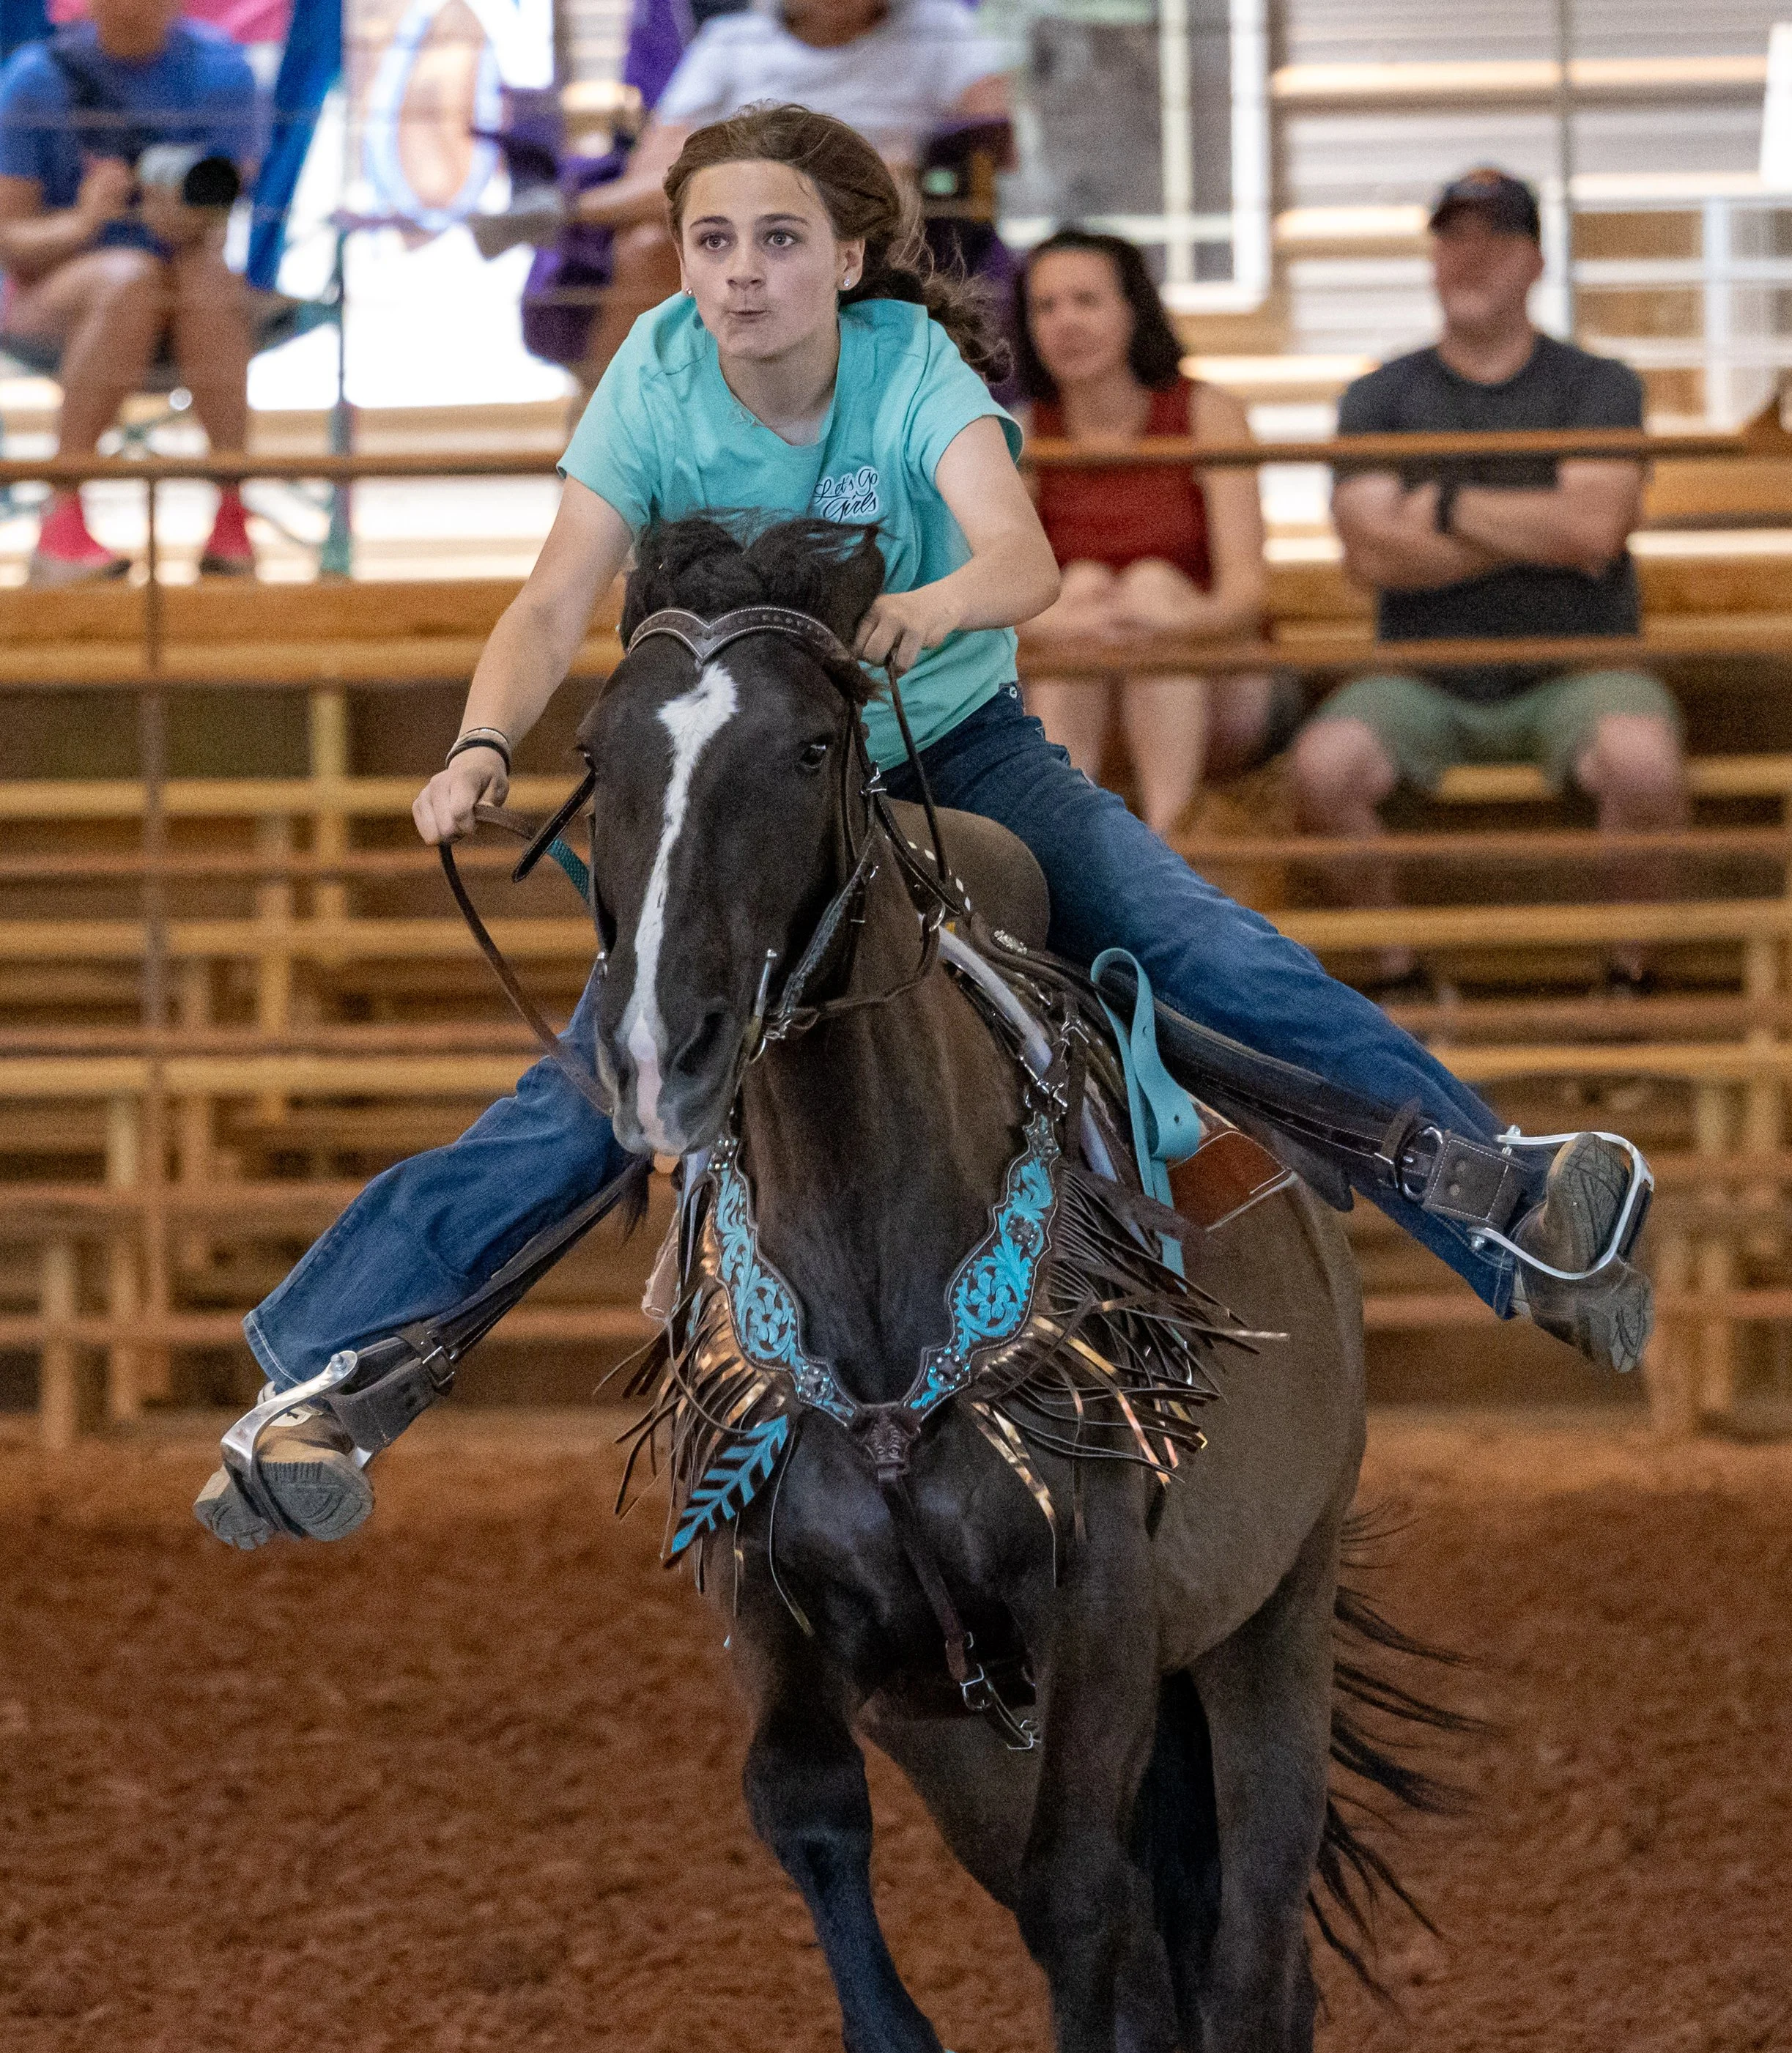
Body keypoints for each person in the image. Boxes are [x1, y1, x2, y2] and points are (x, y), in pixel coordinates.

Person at [191, 104, 1652, 1550]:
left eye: (779, 240)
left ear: (847, 259)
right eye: (712, 241)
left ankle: (1495, 1193)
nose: (742, 271)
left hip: (958, 759)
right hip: (759, 801)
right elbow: (551, 597)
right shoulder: (652, 372)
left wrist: (939, 604)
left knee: (1197, 944)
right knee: (608, 1070)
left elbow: (1019, 554)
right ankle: (330, 1381)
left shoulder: (907, 366)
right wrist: (479, 739)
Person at [1289, 166, 1688, 990]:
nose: (1469, 257)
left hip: (1584, 669)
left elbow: (1594, 528)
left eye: (1495, 238)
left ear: (1535, 260)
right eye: (1452, 237)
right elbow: (1372, 555)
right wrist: (1542, 527)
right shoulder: (1377, 396)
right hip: (1420, 677)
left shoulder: (1599, 385)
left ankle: (1627, 979)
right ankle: (1400, 974)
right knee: (1321, 770)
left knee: (1643, 763)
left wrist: (1439, 505)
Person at [1013, 228, 1297, 837]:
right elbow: (1000, 604)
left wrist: (1166, 622)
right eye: (1046, 307)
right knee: (1080, 586)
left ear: (1133, 310)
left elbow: (1245, 596)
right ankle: (1073, 844)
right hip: (1079, 671)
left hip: (1219, 674)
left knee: (1149, 584)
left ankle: (1168, 843)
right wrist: (1072, 624)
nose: (1065, 323)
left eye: (1086, 301)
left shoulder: (1209, 414)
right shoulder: (1024, 434)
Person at [566, 0, 1008, 383]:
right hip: (739, 199)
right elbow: (657, 166)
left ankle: (569, 211)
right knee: (648, 243)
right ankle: (617, 416)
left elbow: (998, 141)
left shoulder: (941, 28)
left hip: (875, 206)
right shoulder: (731, 39)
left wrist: (918, 161)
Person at [0, 0, 262, 584]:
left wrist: (186, 221)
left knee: (203, 277)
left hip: (186, 296)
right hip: (58, 293)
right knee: (131, 277)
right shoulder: (36, 79)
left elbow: (222, 215)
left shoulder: (223, 73)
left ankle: (231, 511)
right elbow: (10, 240)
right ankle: (62, 517)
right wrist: (84, 222)